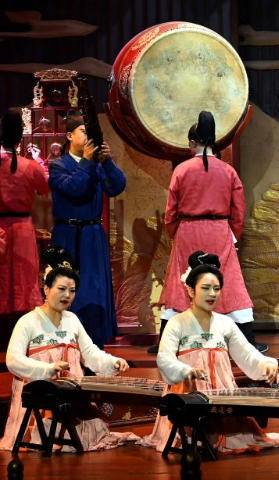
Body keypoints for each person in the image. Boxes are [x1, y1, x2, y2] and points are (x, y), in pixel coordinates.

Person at [140, 251, 279, 454]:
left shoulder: (225, 323)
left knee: (237, 434)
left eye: (216, 289)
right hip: (188, 394)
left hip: (222, 392)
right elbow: (164, 357)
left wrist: (266, 364)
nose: (212, 294)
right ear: (191, 291)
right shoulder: (177, 323)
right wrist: (185, 370)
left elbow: (247, 354)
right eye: (205, 288)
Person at [0, 246, 138, 451]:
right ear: (46, 289)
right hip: (40, 395)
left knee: (96, 429)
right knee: (49, 433)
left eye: (72, 291)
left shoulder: (72, 320)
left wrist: (112, 362)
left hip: (71, 395)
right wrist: (47, 369)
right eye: (61, 289)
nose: (67, 295)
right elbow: (13, 360)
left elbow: (89, 353)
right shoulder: (28, 321)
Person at [155, 111, 266, 353]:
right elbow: (238, 210)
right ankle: (247, 339)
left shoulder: (182, 170)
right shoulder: (228, 172)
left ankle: (166, 339)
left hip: (188, 230)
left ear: (192, 143)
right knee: (230, 280)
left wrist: (179, 233)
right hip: (219, 230)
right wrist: (231, 235)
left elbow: (170, 212)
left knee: (181, 280)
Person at [49, 109, 126, 347]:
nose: (88, 136)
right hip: (67, 235)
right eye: (84, 131)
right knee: (65, 287)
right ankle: (64, 341)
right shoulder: (57, 165)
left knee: (94, 288)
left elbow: (117, 186)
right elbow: (75, 189)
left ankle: (95, 343)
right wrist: (88, 162)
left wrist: (109, 162)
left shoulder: (98, 165)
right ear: (70, 136)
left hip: (93, 235)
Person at [0, 110, 49, 319]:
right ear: (20, 138)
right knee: (23, 276)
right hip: (22, 228)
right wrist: (39, 161)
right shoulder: (29, 166)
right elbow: (45, 187)